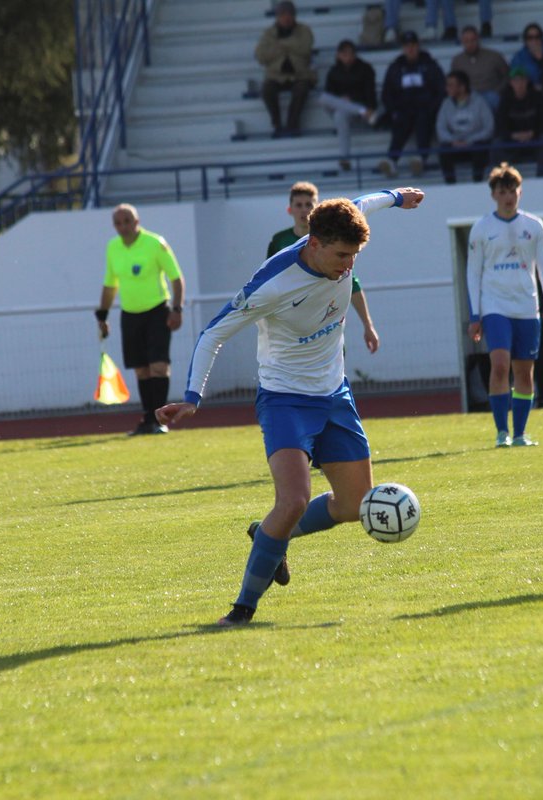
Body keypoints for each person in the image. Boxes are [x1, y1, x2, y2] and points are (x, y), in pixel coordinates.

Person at [157, 187, 425, 626]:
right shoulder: (274, 282)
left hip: (335, 394)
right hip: (285, 399)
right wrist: (192, 398)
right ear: (314, 244)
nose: (348, 266)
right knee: (294, 499)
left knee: (354, 504)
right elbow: (213, 334)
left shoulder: (343, 234)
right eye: (341, 256)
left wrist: (398, 197)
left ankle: (267, 537)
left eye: (354, 255)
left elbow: (366, 201)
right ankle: (242, 609)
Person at [466, 164, 543, 446]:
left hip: (526, 307)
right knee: (499, 365)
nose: (508, 196)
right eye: (502, 191)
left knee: (523, 371)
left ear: (520, 192)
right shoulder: (482, 228)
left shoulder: (534, 226)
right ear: (493, 194)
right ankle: (501, 433)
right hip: (495, 306)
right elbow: (473, 272)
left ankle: (519, 434)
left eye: (513, 191)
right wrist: (475, 314)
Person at [96, 203, 186, 436]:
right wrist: (102, 315)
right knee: (141, 370)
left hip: (157, 311)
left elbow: (176, 279)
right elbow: (110, 285)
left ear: (137, 222)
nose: (123, 226)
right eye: (118, 222)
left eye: (127, 221)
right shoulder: (112, 248)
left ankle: (160, 420)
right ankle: (147, 419)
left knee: (158, 366)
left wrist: (176, 309)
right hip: (130, 314)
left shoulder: (155, 243)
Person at [267, 182, 380, 353]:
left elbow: (353, 284)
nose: (304, 209)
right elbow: (269, 281)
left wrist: (368, 325)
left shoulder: (333, 240)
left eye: (308, 205)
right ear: (290, 209)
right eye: (299, 205)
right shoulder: (279, 241)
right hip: (294, 329)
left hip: (327, 324)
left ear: (316, 208)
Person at [379, 31, 446, 178]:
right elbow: (387, 93)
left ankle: (421, 158)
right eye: (407, 46)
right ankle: (391, 160)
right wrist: (393, 110)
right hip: (403, 109)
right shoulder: (396, 67)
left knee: (423, 119)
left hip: (425, 109)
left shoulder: (430, 65)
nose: (410, 49)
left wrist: (432, 108)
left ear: (418, 46)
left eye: (413, 45)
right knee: (401, 120)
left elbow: (440, 90)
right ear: (403, 48)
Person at [255, 1, 316, 138]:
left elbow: (305, 48)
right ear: (277, 16)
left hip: (300, 74)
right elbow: (261, 56)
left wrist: (278, 45)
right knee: (267, 90)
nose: (286, 17)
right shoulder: (268, 33)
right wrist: (291, 46)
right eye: (282, 14)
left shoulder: (304, 30)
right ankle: (277, 125)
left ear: (294, 15)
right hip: (275, 76)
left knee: (302, 89)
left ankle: (292, 125)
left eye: (289, 14)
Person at [316, 40, 378, 172]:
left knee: (340, 114)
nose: (347, 57)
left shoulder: (365, 69)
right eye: (344, 54)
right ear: (338, 55)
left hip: (359, 108)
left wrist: (354, 101)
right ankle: (362, 111)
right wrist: (343, 101)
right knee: (327, 102)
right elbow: (330, 97)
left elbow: (369, 93)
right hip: (349, 110)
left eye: (350, 53)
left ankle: (345, 157)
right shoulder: (334, 71)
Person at [493, 67, 543, 178]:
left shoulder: (538, 97)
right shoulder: (505, 100)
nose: (519, 84)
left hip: (534, 140)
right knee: (497, 144)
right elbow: (500, 126)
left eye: (522, 80)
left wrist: (532, 133)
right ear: (511, 83)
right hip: (513, 142)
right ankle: (508, 178)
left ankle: (541, 176)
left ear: (527, 81)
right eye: (516, 81)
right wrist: (513, 135)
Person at [435, 71, 494, 184]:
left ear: (462, 87)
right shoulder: (446, 103)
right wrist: (453, 141)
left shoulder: (479, 102)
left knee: (480, 149)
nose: (447, 88)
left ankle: (477, 183)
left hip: (474, 143)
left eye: (451, 85)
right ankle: (450, 185)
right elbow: (440, 128)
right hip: (455, 144)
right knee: (443, 151)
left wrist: (470, 140)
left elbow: (489, 127)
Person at [510, 23, 543, 117]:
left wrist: (541, 60)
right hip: (527, 96)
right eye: (530, 37)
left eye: (537, 37)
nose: (534, 41)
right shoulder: (518, 58)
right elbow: (515, 79)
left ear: (542, 39)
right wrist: (531, 87)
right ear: (525, 40)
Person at [450, 25, 509, 112]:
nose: (470, 44)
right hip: (469, 96)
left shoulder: (494, 56)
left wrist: (497, 91)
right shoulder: (457, 61)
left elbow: (507, 76)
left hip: (491, 94)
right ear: (462, 41)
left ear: (478, 39)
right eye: (466, 41)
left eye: (473, 40)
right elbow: (454, 83)